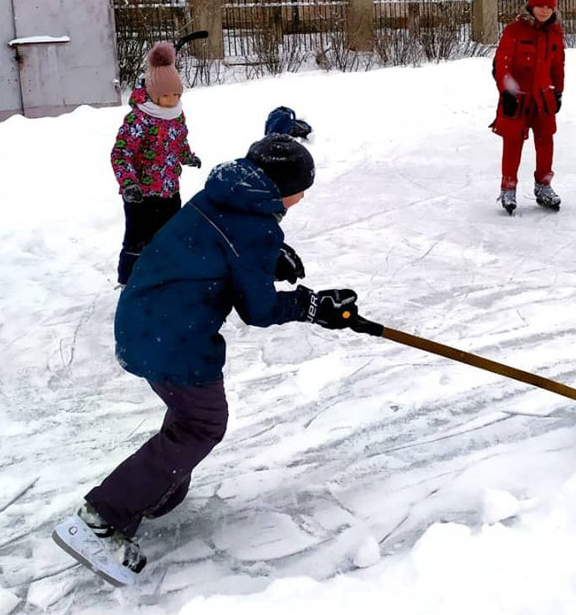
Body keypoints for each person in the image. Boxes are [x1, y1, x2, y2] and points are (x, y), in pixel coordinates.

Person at [53, 134, 361, 585]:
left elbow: (216, 245)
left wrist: (265, 258)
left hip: (143, 319)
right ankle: (101, 518)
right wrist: (312, 306)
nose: (301, 199)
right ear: (284, 190)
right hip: (174, 337)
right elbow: (258, 310)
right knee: (202, 423)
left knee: (188, 417)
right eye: (302, 191)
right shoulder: (256, 225)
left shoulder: (223, 194)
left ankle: (154, 491)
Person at [110, 42, 201, 285]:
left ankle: (167, 277)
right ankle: (129, 283)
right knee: (137, 240)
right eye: (166, 95)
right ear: (152, 94)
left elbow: (179, 141)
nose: (172, 100)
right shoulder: (139, 118)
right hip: (141, 195)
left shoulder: (176, 115)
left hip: (170, 189)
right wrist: (129, 183)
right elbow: (121, 153)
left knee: (170, 236)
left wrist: (188, 157)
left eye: (177, 94)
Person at [490, 0, 565, 215]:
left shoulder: (554, 34)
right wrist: (507, 92)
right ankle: (508, 188)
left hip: (543, 98)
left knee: (545, 143)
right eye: (540, 5)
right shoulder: (515, 30)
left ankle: (544, 186)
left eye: (549, 6)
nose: (544, 10)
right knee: (512, 144)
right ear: (531, 6)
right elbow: (500, 64)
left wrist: (558, 92)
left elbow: (557, 66)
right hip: (517, 99)